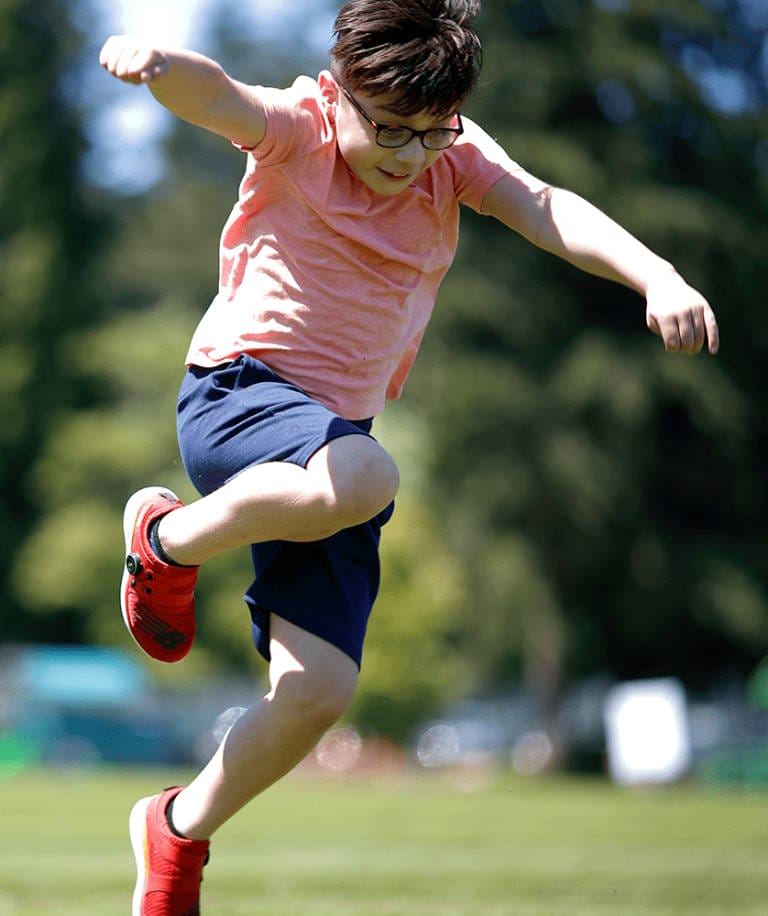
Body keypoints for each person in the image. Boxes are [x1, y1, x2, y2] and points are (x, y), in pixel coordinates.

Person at [100, 1, 719, 912]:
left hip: (326, 457)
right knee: (367, 477)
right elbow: (218, 96)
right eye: (389, 128)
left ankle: (177, 832)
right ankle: (166, 542)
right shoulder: (297, 130)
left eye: (432, 134)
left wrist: (655, 273)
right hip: (238, 393)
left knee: (319, 692)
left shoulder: (452, 158)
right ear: (339, 91)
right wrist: (158, 64)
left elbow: (546, 207)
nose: (408, 155)